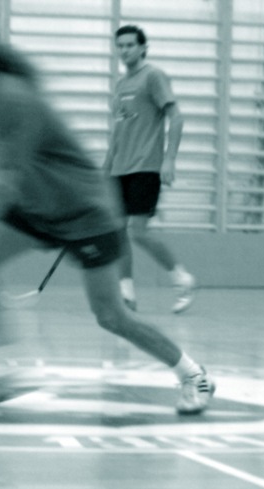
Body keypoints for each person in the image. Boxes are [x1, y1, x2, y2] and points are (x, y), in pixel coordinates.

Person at [0, 11, 215, 414]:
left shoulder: (13, 98)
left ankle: (194, 375)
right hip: (36, 206)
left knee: (111, 316)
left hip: (84, 212)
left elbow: (5, 182)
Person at [104, 25, 196, 314]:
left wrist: (169, 159)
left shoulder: (153, 76)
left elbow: (176, 117)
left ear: (143, 48)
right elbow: (118, 131)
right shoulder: (120, 85)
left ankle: (181, 278)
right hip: (119, 168)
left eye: (130, 45)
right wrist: (106, 168)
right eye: (120, 45)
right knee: (117, 231)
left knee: (139, 232)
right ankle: (126, 292)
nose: (124, 50)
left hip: (145, 165)